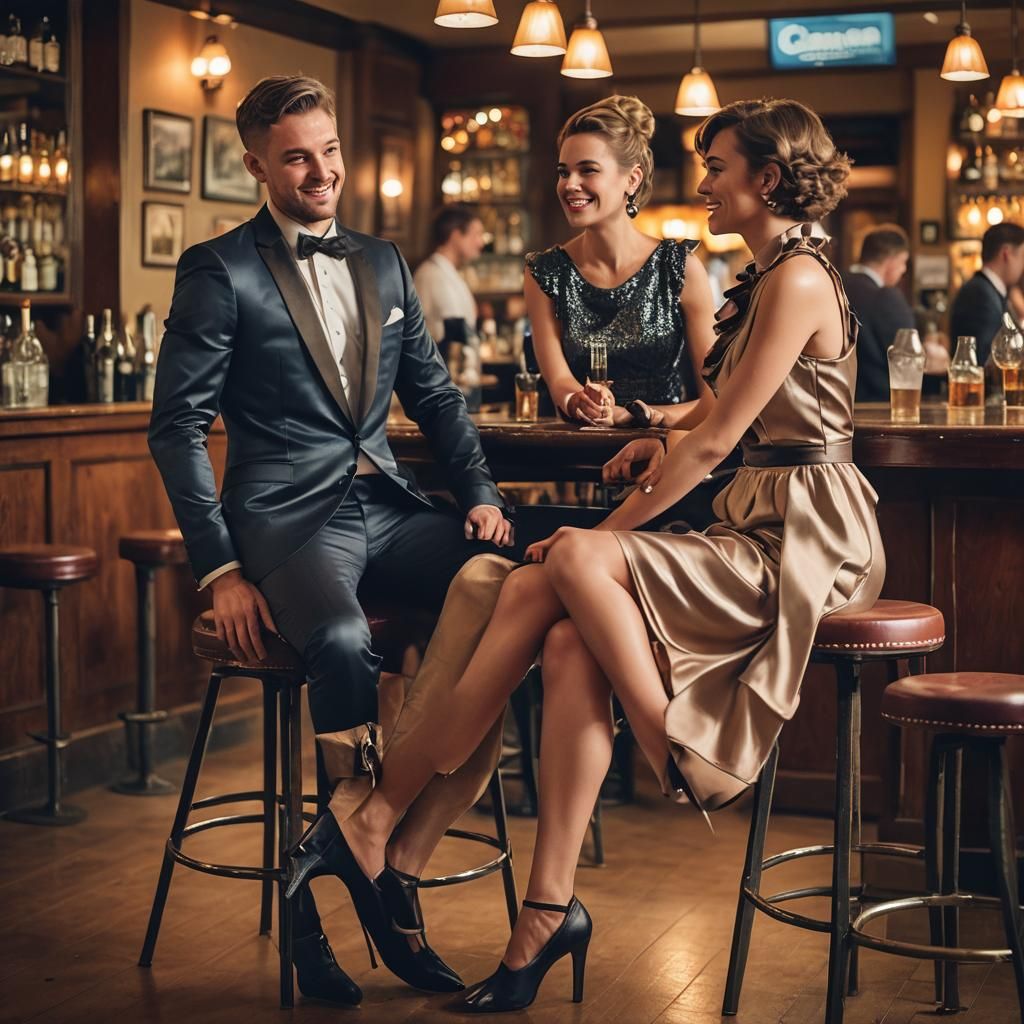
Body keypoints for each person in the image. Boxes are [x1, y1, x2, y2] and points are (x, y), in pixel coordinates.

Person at [287, 97, 885, 1013]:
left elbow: (721, 438)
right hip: (757, 511)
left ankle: (682, 761)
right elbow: (719, 413)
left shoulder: (794, 278)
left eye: (718, 167)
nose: (706, 184)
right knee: (557, 632)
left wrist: (601, 541)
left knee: (556, 566)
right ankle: (540, 913)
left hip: (808, 537)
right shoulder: (764, 276)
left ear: (767, 178)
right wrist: (654, 428)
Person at [148, 74, 515, 1005]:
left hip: (384, 504)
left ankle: (384, 849)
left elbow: (432, 395)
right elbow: (176, 427)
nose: (320, 171)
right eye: (297, 156)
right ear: (258, 164)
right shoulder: (217, 268)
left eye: (329, 150)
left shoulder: (386, 262)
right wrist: (221, 567)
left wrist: (477, 493)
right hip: (282, 515)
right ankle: (324, 910)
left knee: (508, 585)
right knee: (345, 640)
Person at [525, 96, 716, 430]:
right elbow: (559, 383)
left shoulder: (679, 267)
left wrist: (640, 416)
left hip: (666, 454)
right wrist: (579, 401)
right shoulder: (545, 272)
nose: (570, 185)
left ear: (632, 179)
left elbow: (717, 396)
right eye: (563, 172)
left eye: (588, 170)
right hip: (579, 457)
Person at [843, 224, 948, 401]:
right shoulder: (885, 296)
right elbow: (909, 357)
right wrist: (935, 354)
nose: (904, 270)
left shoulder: (835, 284)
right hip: (880, 405)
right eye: (903, 263)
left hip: (839, 401)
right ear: (891, 261)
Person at [949, 222, 1024, 364]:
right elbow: (982, 360)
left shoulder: (988, 290)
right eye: (1022, 256)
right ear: (1006, 254)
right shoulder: (979, 294)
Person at [413, 203, 485, 344]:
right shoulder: (431, 275)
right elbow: (454, 333)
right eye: (476, 234)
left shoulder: (448, 272)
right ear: (456, 235)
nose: (481, 243)